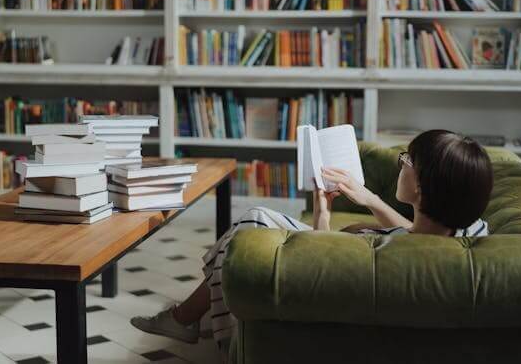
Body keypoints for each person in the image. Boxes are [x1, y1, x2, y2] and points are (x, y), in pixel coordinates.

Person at [130, 129, 494, 359]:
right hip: (341, 256)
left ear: (422, 186)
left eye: (407, 160)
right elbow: (422, 234)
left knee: (251, 226)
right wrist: (368, 199)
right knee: (254, 221)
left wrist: (322, 214)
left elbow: (320, 272)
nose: (401, 163)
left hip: (323, 270)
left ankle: (199, 324)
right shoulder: (472, 231)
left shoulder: (388, 254)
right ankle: (192, 314)